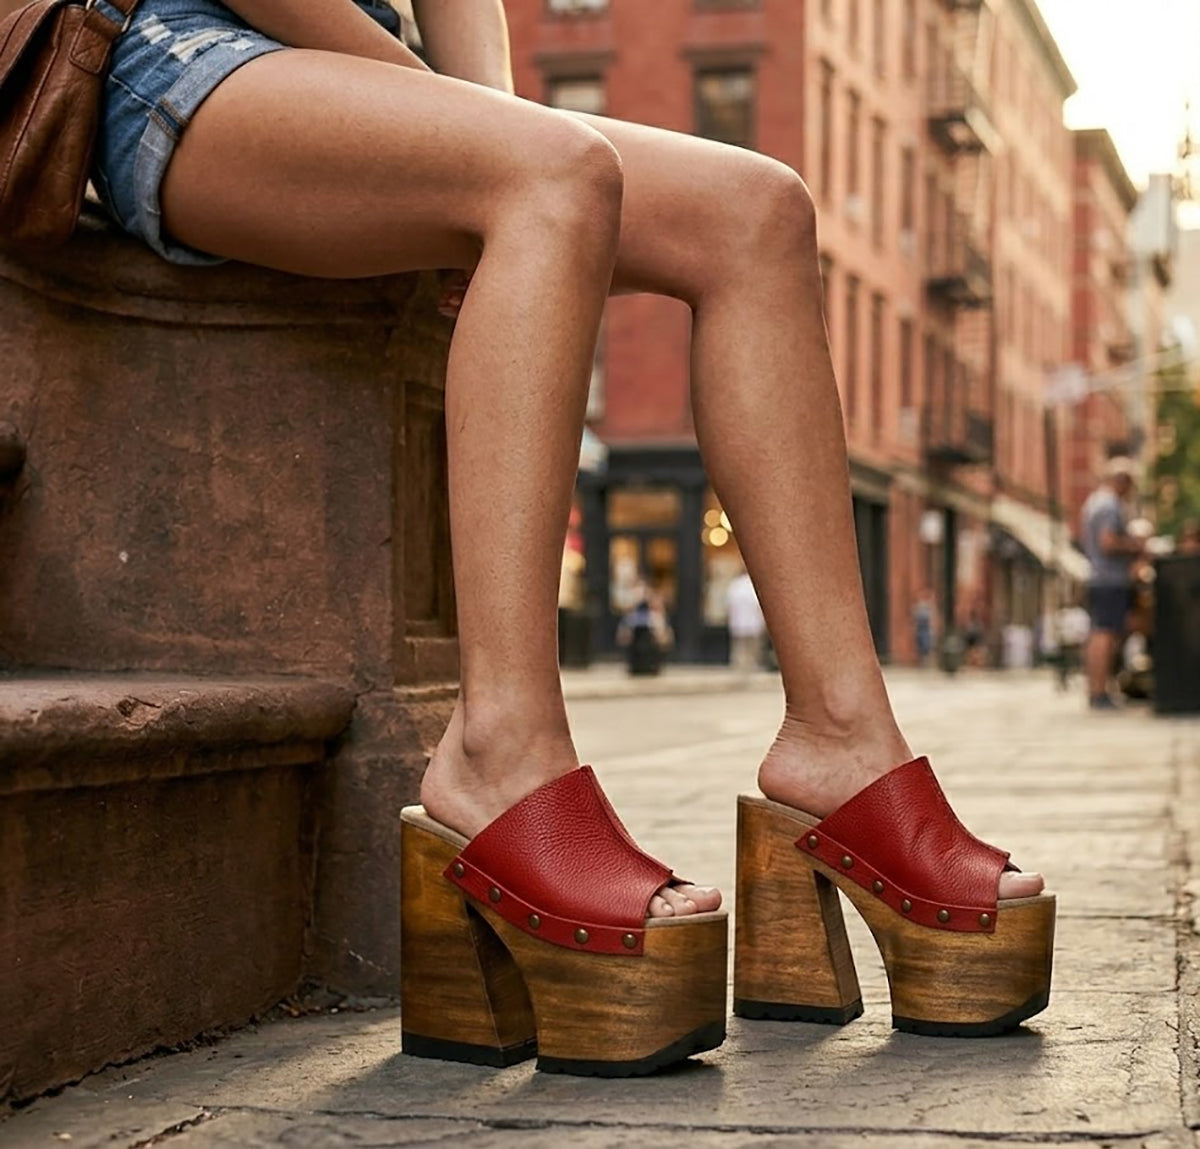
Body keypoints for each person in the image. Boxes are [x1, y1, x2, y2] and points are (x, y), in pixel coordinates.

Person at [61, 0, 1050, 1070]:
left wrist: (475, 119)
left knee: (759, 209)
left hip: (379, 73)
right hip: (173, 56)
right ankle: (502, 747)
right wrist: (474, 129)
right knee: (552, 172)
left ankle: (843, 738)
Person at [1080, 458, 1141, 710]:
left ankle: (1098, 690)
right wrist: (1136, 545)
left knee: (1099, 634)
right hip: (1109, 579)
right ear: (1122, 482)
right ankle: (1098, 692)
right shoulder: (1109, 505)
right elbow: (1108, 542)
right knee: (1104, 635)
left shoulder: (1094, 502)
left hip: (1098, 577)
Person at [726, 568, 766, 674]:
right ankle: (752, 668)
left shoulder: (735, 585)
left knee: (739, 648)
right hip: (753, 623)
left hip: (738, 623)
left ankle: (739, 668)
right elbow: (759, 606)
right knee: (753, 649)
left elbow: (729, 605)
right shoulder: (753, 586)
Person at [912, 589, 936, 666]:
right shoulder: (920, 607)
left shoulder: (928, 607)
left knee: (926, 645)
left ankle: (926, 660)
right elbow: (916, 619)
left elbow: (931, 619)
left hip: (925, 630)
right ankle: (923, 660)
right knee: (922, 645)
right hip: (921, 629)